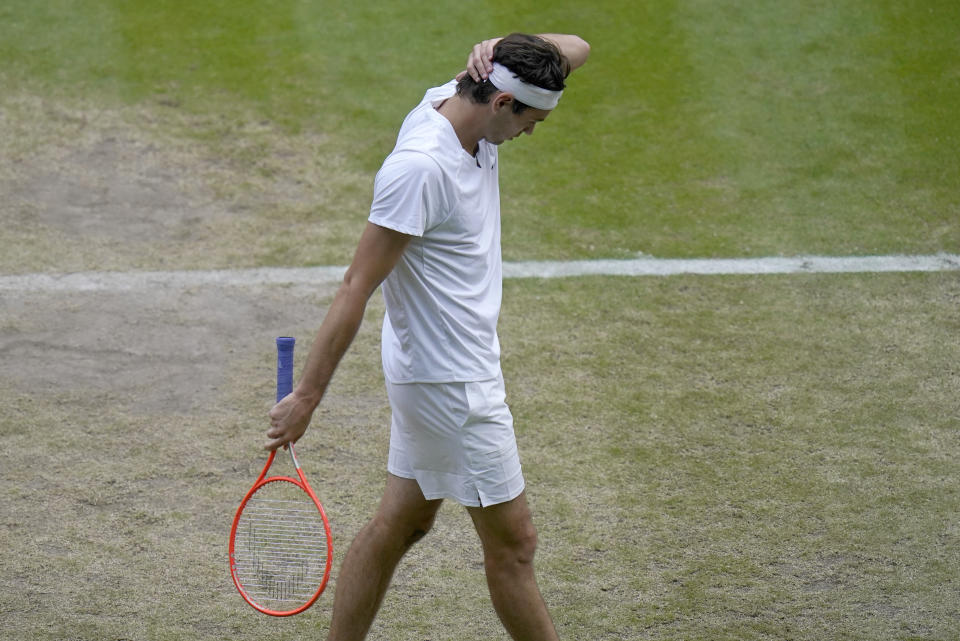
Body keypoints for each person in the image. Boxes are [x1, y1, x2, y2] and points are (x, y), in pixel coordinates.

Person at [266, 32, 591, 641]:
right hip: (453, 384)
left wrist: (495, 44)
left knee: (402, 523)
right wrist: (307, 398)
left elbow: (577, 47)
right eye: (532, 121)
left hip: (434, 369)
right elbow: (354, 288)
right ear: (500, 104)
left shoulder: (459, 96)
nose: (533, 133)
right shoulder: (420, 168)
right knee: (515, 547)